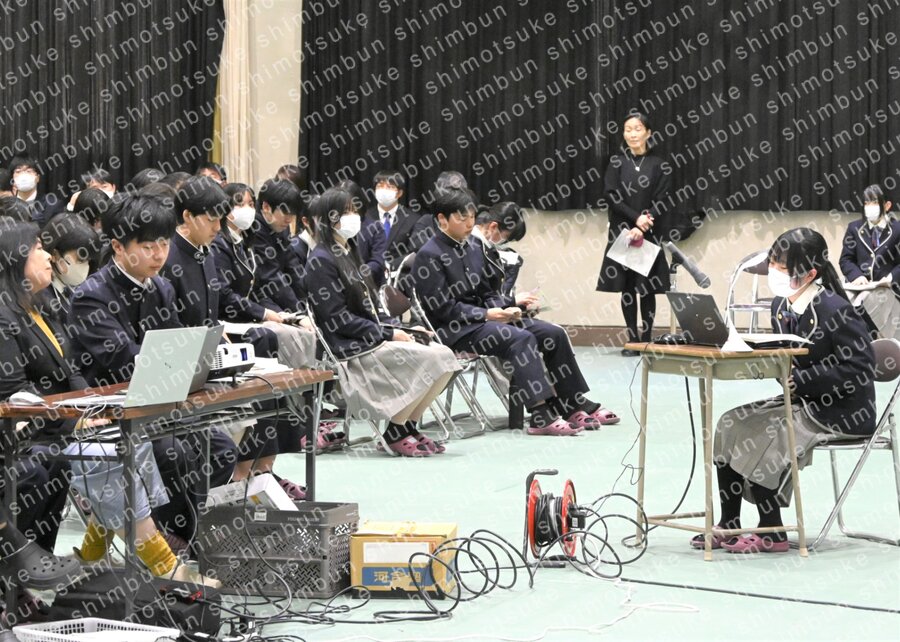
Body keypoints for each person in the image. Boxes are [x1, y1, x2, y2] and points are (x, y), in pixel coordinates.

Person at [67, 192, 236, 557]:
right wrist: (177, 359)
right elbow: (125, 361)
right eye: (147, 247)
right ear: (118, 246)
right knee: (172, 452)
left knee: (221, 448)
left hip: (156, 402)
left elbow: (174, 344)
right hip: (108, 411)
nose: (159, 255)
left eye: (164, 244)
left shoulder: (160, 286)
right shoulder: (91, 296)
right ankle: (168, 536)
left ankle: (188, 530)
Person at [702, 228, 876, 554]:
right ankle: (729, 522)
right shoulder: (780, 306)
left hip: (843, 411)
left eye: (782, 266)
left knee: (770, 431)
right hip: (802, 401)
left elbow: (861, 367)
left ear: (810, 274)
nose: (774, 271)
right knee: (729, 422)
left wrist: (805, 379)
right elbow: (785, 357)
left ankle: (773, 530)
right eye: (773, 262)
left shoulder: (835, 309)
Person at [414, 187, 618, 435]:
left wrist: (505, 308)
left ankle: (572, 401)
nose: (469, 224)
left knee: (552, 333)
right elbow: (441, 308)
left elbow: (487, 292)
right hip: (455, 330)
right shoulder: (428, 255)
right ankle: (540, 413)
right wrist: (487, 315)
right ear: (442, 219)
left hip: (485, 321)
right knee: (520, 338)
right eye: (462, 218)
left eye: (472, 217)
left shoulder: (473, 248)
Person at [306, 187, 460, 456]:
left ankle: (408, 425)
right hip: (349, 347)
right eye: (347, 212)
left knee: (444, 355)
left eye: (355, 210)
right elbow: (338, 320)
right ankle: (395, 431)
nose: (354, 216)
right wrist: (387, 334)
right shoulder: (321, 260)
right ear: (331, 218)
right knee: (432, 359)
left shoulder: (350, 251)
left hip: (370, 336)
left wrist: (401, 328)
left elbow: (372, 307)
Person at [0, 220, 87, 628]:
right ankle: (16, 577)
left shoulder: (41, 306)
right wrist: (71, 424)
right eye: (37, 248)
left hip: (55, 425)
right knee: (39, 465)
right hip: (24, 435)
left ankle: (29, 576)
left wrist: (92, 408)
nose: (48, 256)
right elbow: (15, 396)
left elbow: (71, 371)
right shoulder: (4, 316)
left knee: (60, 462)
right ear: (15, 259)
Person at [596, 113, 671, 356]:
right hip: (623, 232)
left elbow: (662, 198)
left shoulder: (659, 164)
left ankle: (647, 339)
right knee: (627, 287)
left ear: (648, 133)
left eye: (637, 129)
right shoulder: (616, 162)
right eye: (628, 129)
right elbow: (611, 195)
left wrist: (644, 222)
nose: (632, 134)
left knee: (646, 287)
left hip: (648, 231)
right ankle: (632, 339)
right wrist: (634, 219)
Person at [839, 184, 900, 340]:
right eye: (866, 203)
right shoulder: (854, 228)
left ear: (887, 205)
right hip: (859, 285)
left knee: (865, 300)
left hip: (888, 287)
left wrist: (890, 278)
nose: (869, 207)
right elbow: (846, 259)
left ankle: (875, 343)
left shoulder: (897, 229)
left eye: (874, 202)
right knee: (842, 300)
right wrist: (856, 275)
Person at [248, 179, 308, 313]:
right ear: (266, 207)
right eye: (285, 213)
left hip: (276, 293)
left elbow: (293, 266)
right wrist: (299, 312)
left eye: (293, 214)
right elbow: (271, 276)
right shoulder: (253, 228)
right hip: (257, 296)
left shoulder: (280, 225)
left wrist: (309, 302)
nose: (289, 219)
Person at [366, 170, 428, 273]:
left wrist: (390, 265)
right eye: (380, 186)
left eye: (390, 187)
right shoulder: (364, 217)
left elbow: (415, 251)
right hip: (368, 274)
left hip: (399, 275)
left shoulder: (413, 219)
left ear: (399, 193)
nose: (384, 190)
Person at [40, 214, 100, 317]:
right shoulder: (39, 294)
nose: (86, 267)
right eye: (80, 260)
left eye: (88, 261)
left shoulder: (74, 290)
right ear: (55, 255)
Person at [7, 155, 64, 227]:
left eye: (29, 171)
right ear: (12, 178)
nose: (23, 176)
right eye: (18, 171)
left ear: (37, 178)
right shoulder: (5, 205)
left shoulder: (52, 204)